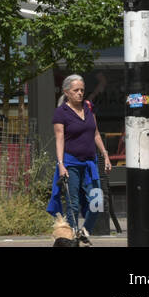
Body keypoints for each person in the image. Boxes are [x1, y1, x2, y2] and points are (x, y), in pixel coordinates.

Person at [49, 74, 111, 245]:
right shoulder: (61, 113)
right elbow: (59, 138)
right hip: (71, 163)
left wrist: (105, 154)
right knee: (73, 204)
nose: (80, 93)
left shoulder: (88, 108)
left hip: (90, 163)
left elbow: (96, 133)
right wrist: (61, 164)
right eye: (76, 90)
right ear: (67, 92)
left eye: (82, 90)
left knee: (97, 201)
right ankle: (73, 239)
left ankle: (84, 231)